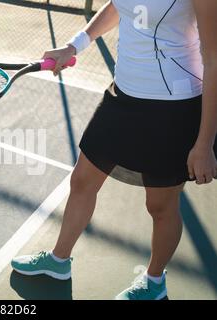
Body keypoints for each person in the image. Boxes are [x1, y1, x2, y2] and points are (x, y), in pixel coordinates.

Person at [11, 0, 217, 300]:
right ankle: (58, 261)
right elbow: (119, 6)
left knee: (160, 207)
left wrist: (204, 143)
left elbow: (212, 58)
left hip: (174, 110)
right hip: (122, 96)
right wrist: (74, 46)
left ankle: (154, 282)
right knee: (81, 181)